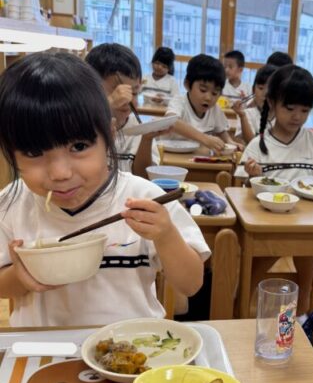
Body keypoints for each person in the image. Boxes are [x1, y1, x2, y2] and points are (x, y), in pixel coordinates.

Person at [0, 52, 210, 328]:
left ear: (110, 134)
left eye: (78, 147)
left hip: (135, 342)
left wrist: (166, 235)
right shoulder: (12, 203)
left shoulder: (146, 198)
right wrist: (20, 277)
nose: (60, 173)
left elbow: (191, 284)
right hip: (45, 346)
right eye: (33, 152)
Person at [235, 65, 313, 315]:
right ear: (272, 103)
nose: (297, 117)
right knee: (256, 271)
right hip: (269, 223)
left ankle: (304, 312)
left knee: (308, 270)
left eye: (304, 111)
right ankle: (241, 309)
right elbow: (240, 186)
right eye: (290, 108)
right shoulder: (258, 144)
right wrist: (252, 175)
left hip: (307, 221)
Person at [85, 43, 160, 177]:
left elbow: (144, 177)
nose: (127, 99)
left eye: (134, 92)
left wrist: (146, 139)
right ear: (90, 87)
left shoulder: (137, 127)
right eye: (118, 91)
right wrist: (108, 105)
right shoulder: (81, 122)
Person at [165, 54, 240, 155]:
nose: (208, 98)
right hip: (173, 157)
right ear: (187, 84)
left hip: (199, 158)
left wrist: (230, 142)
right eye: (203, 90)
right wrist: (205, 138)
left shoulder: (215, 110)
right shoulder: (179, 101)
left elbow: (221, 131)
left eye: (214, 93)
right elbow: (172, 122)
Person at [232, 64, 277, 144]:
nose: (265, 94)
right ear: (253, 90)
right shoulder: (247, 114)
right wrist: (243, 116)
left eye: (270, 90)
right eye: (261, 88)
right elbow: (251, 143)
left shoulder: (281, 116)